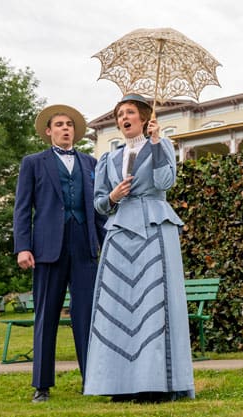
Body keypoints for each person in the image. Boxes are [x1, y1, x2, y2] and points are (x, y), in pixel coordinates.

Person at [83, 93, 194, 402]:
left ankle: (156, 385)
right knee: (117, 306)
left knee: (154, 305)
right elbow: (100, 204)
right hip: (119, 232)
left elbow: (164, 182)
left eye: (129, 112)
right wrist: (115, 196)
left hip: (155, 227)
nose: (123, 118)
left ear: (144, 118)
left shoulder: (163, 146)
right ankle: (119, 384)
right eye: (119, 114)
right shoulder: (108, 158)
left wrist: (157, 142)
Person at [13, 104, 107, 403]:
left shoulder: (91, 163)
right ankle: (42, 385)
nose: (66, 129)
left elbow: (98, 209)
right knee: (47, 315)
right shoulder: (33, 163)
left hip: (84, 243)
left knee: (86, 316)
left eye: (70, 125)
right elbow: (22, 208)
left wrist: (107, 242)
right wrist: (23, 246)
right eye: (60, 125)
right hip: (46, 248)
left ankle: (90, 379)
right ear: (48, 131)